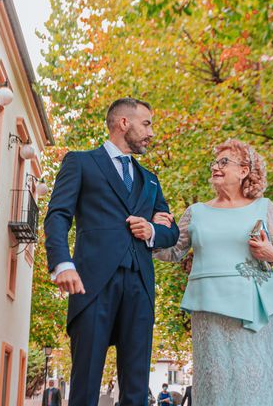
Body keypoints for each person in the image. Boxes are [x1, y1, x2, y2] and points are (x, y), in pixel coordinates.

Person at [44, 98, 180, 406]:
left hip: (140, 286)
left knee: (136, 389)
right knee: (86, 386)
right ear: (123, 123)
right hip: (92, 283)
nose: (151, 132)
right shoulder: (80, 162)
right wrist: (62, 263)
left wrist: (153, 230)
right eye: (146, 124)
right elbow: (58, 216)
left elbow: (172, 232)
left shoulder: (150, 180)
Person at [153, 139, 273, 406]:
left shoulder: (264, 207)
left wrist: (272, 254)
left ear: (244, 170)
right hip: (208, 308)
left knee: (254, 380)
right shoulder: (195, 212)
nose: (216, 168)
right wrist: (154, 232)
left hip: (256, 307)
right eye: (214, 163)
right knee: (215, 380)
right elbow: (171, 252)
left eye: (224, 162)